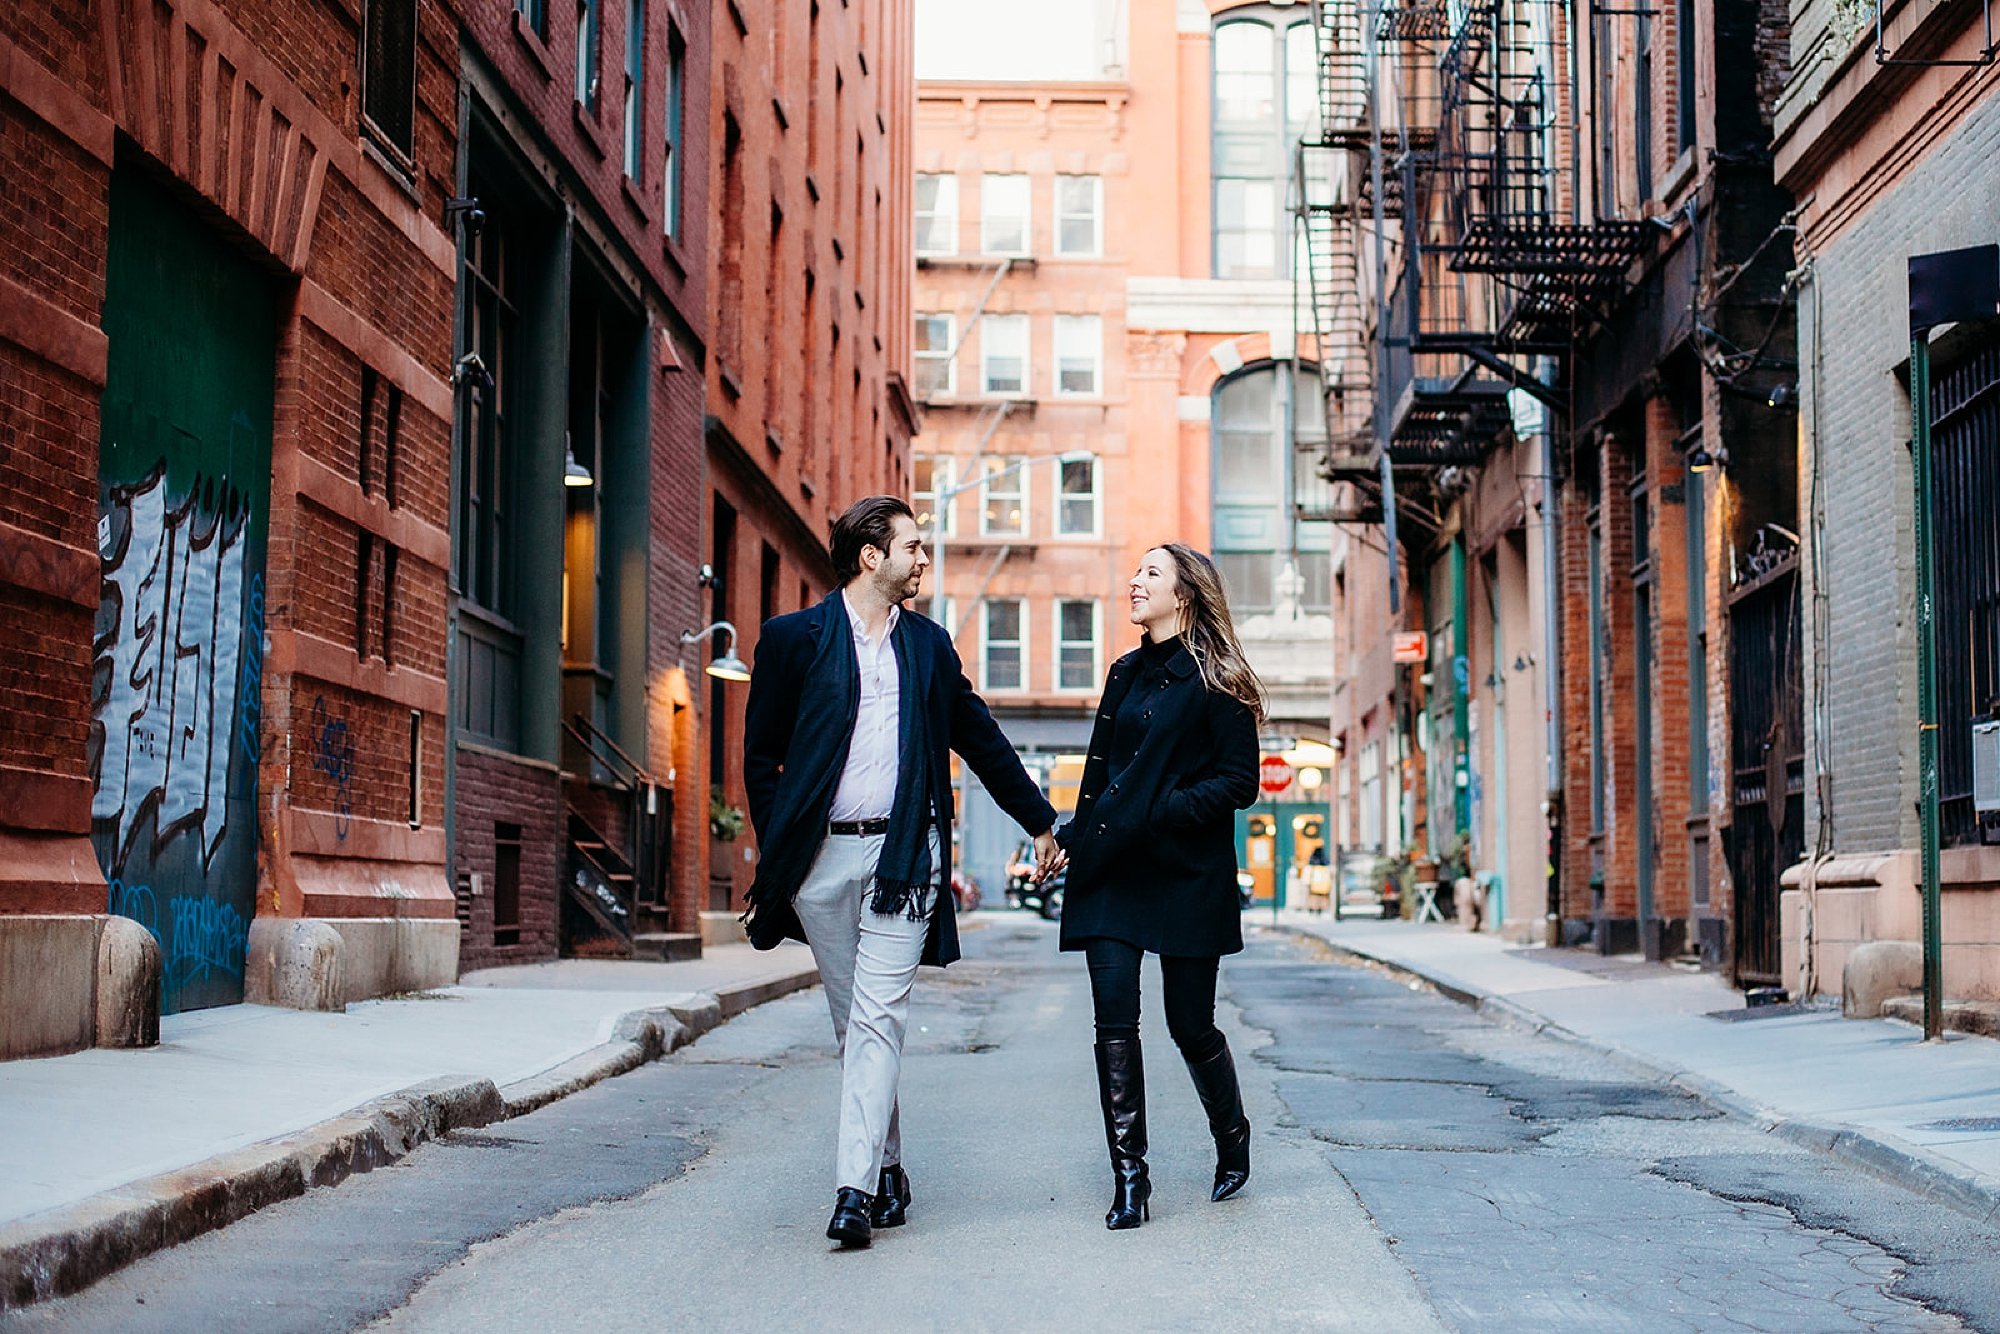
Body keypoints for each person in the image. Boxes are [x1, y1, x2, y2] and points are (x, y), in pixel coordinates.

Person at [742, 495, 1064, 1249]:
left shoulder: (927, 646)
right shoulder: (794, 641)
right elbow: (762, 758)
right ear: (870, 557)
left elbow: (978, 736)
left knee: (879, 1016)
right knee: (854, 1023)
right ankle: (888, 1166)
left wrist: (1041, 819)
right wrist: (782, 849)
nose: (925, 559)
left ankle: (852, 1190)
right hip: (820, 859)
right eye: (915, 547)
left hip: (904, 859)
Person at [1056, 543, 1263, 1230]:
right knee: (1114, 1024)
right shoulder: (1123, 674)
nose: (1134, 582)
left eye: (1150, 574)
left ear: (1184, 595)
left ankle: (1232, 1136)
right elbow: (1100, 779)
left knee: (1189, 1023)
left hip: (1185, 875)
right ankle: (1130, 1179)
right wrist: (1069, 837)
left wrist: (1166, 809)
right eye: (1137, 571)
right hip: (1113, 872)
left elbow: (1239, 782)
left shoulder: (1219, 679)